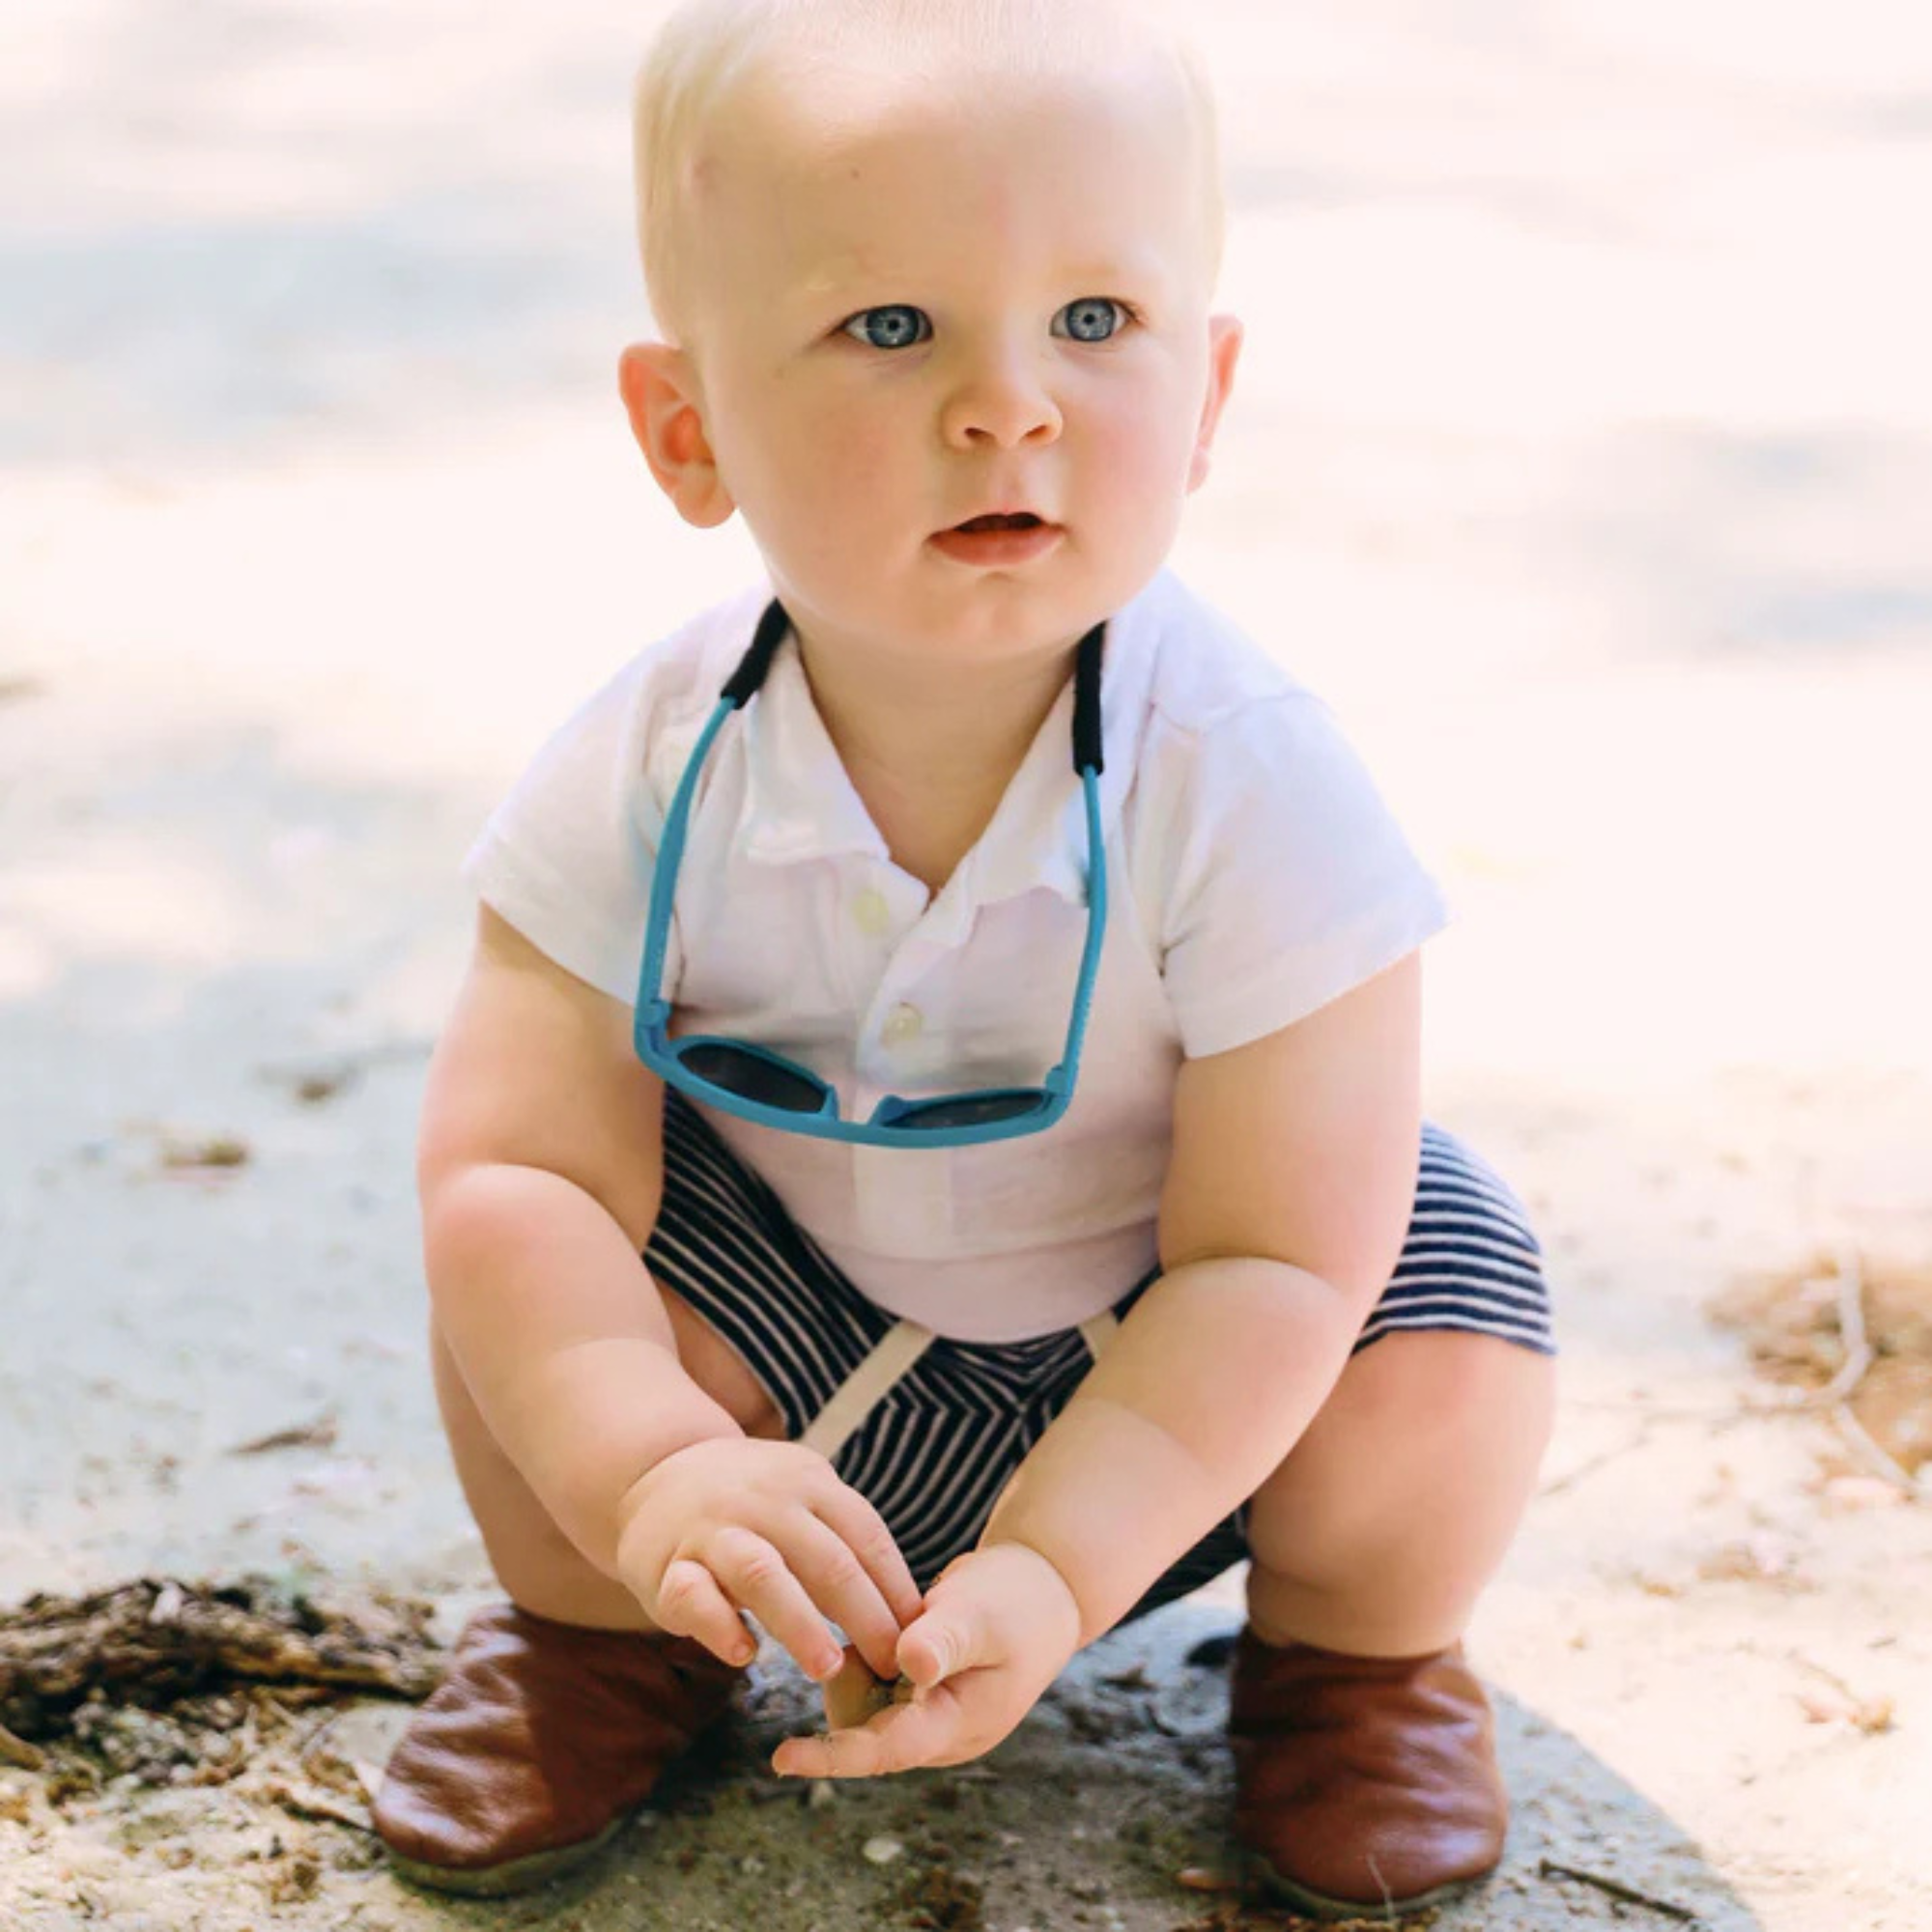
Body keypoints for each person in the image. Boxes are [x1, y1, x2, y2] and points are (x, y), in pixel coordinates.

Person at [370, 0, 1557, 1917]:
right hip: (791, 1354)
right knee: (527, 1265)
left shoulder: (1251, 785)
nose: (1008, 406)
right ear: (689, 430)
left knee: (1441, 1298)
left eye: (1093, 319)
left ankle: (1354, 1668)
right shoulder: (652, 763)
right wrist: (646, 1467)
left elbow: (1270, 1256)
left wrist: (1063, 1563)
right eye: (889, 326)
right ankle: (604, 1633)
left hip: (1177, 1362)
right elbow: (519, 1162)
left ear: (1208, 393)